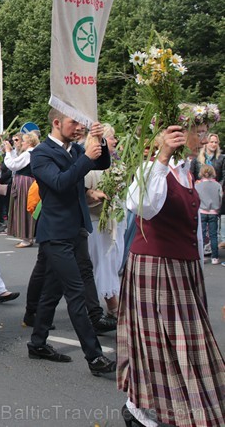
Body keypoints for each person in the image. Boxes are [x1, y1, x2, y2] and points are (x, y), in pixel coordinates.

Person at [119, 118, 225, 426]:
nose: (204, 138)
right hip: (156, 267)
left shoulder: (186, 171)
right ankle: (140, 410)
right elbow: (143, 207)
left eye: (206, 132)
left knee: (185, 343)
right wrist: (162, 156)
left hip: (181, 268)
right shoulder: (153, 168)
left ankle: (152, 408)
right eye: (199, 132)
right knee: (162, 345)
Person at [27, 108, 116, 376]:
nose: (79, 127)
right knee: (76, 293)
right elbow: (60, 182)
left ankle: (38, 343)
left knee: (52, 292)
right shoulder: (41, 153)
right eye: (73, 122)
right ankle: (95, 357)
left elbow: (102, 164)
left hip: (76, 230)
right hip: (55, 234)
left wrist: (98, 141)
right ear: (56, 122)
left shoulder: (74, 150)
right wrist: (86, 156)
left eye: (80, 123)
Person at [84, 125, 125, 317]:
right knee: (103, 262)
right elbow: (83, 195)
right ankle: (112, 305)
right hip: (96, 222)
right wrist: (96, 195)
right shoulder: (90, 165)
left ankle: (106, 302)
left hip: (113, 220)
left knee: (112, 261)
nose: (115, 141)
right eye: (111, 138)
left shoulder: (115, 164)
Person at [4, 133, 39, 248]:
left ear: (29, 142)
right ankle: (27, 236)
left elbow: (13, 164)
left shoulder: (28, 154)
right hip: (26, 181)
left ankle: (26, 238)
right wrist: (13, 149)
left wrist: (8, 152)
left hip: (24, 182)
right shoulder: (29, 153)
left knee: (22, 208)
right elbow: (16, 160)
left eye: (23, 141)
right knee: (23, 208)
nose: (21, 143)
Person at [196, 164, 223, 266]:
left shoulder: (197, 185)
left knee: (201, 235)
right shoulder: (217, 185)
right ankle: (215, 257)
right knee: (213, 235)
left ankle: (201, 257)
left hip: (202, 211)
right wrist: (217, 208)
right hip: (213, 212)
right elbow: (220, 198)